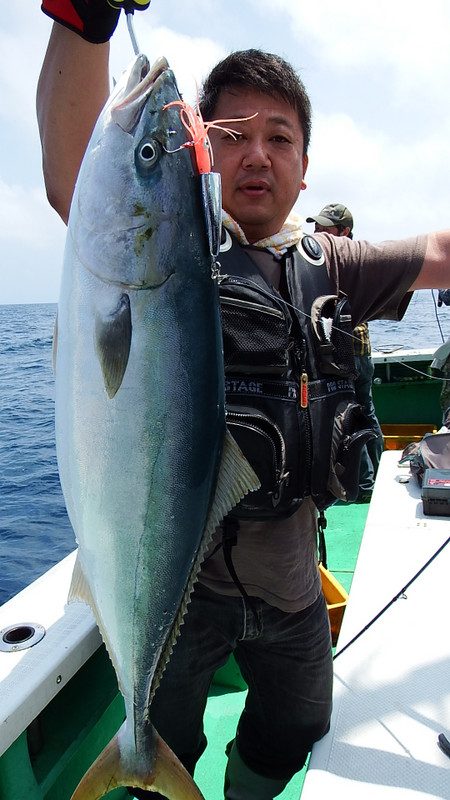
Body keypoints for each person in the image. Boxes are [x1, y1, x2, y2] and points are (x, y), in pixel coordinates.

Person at [36, 4, 450, 798]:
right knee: (172, 731)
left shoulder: (336, 264)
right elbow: (73, 179)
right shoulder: (177, 248)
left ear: (304, 164)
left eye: (281, 138)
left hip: (294, 586)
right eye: (232, 136)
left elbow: (437, 251)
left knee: (297, 724)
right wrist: (83, 21)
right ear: (202, 156)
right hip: (189, 592)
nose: (257, 155)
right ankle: (155, 760)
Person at [306, 203, 384, 501]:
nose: (317, 233)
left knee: (349, 415)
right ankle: (373, 477)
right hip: (360, 352)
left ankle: (363, 485)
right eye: (316, 228)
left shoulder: (338, 264)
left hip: (346, 355)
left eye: (325, 229)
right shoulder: (355, 264)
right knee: (367, 411)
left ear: (344, 232)